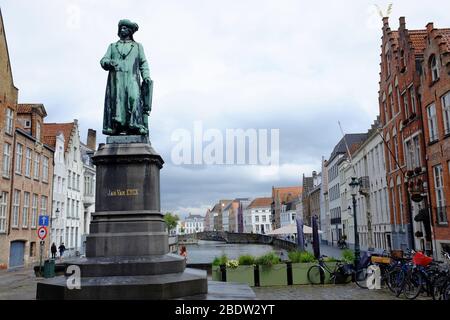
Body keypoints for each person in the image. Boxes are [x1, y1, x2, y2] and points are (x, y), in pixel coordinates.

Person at [100, 19, 153, 136]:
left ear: (130, 31)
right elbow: (104, 60)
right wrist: (108, 62)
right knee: (118, 103)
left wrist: (146, 76)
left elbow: (143, 63)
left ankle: (135, 125)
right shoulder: (113, 46)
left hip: (132, 78)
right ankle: (118, 127)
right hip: (117, 80)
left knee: (134, 98)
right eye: (121, 28)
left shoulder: (138, 46)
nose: (122, 29)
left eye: (125, 28)